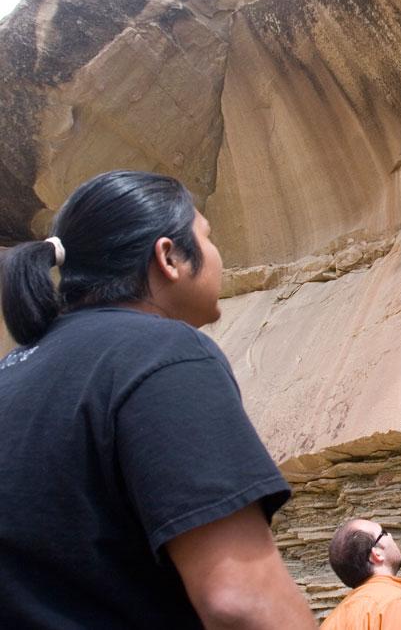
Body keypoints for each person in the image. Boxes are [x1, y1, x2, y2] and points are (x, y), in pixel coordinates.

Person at [0, 171, 317, 629]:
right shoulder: (161, 351)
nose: (216, 255)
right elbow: (243, 602)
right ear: (169, 257)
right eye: (207, 237)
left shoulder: (14, 373)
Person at [321, 519, 401, 630]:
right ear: (376, 554)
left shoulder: (332, 620)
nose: (391, 535)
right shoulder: (397, 603)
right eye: (384, 532)